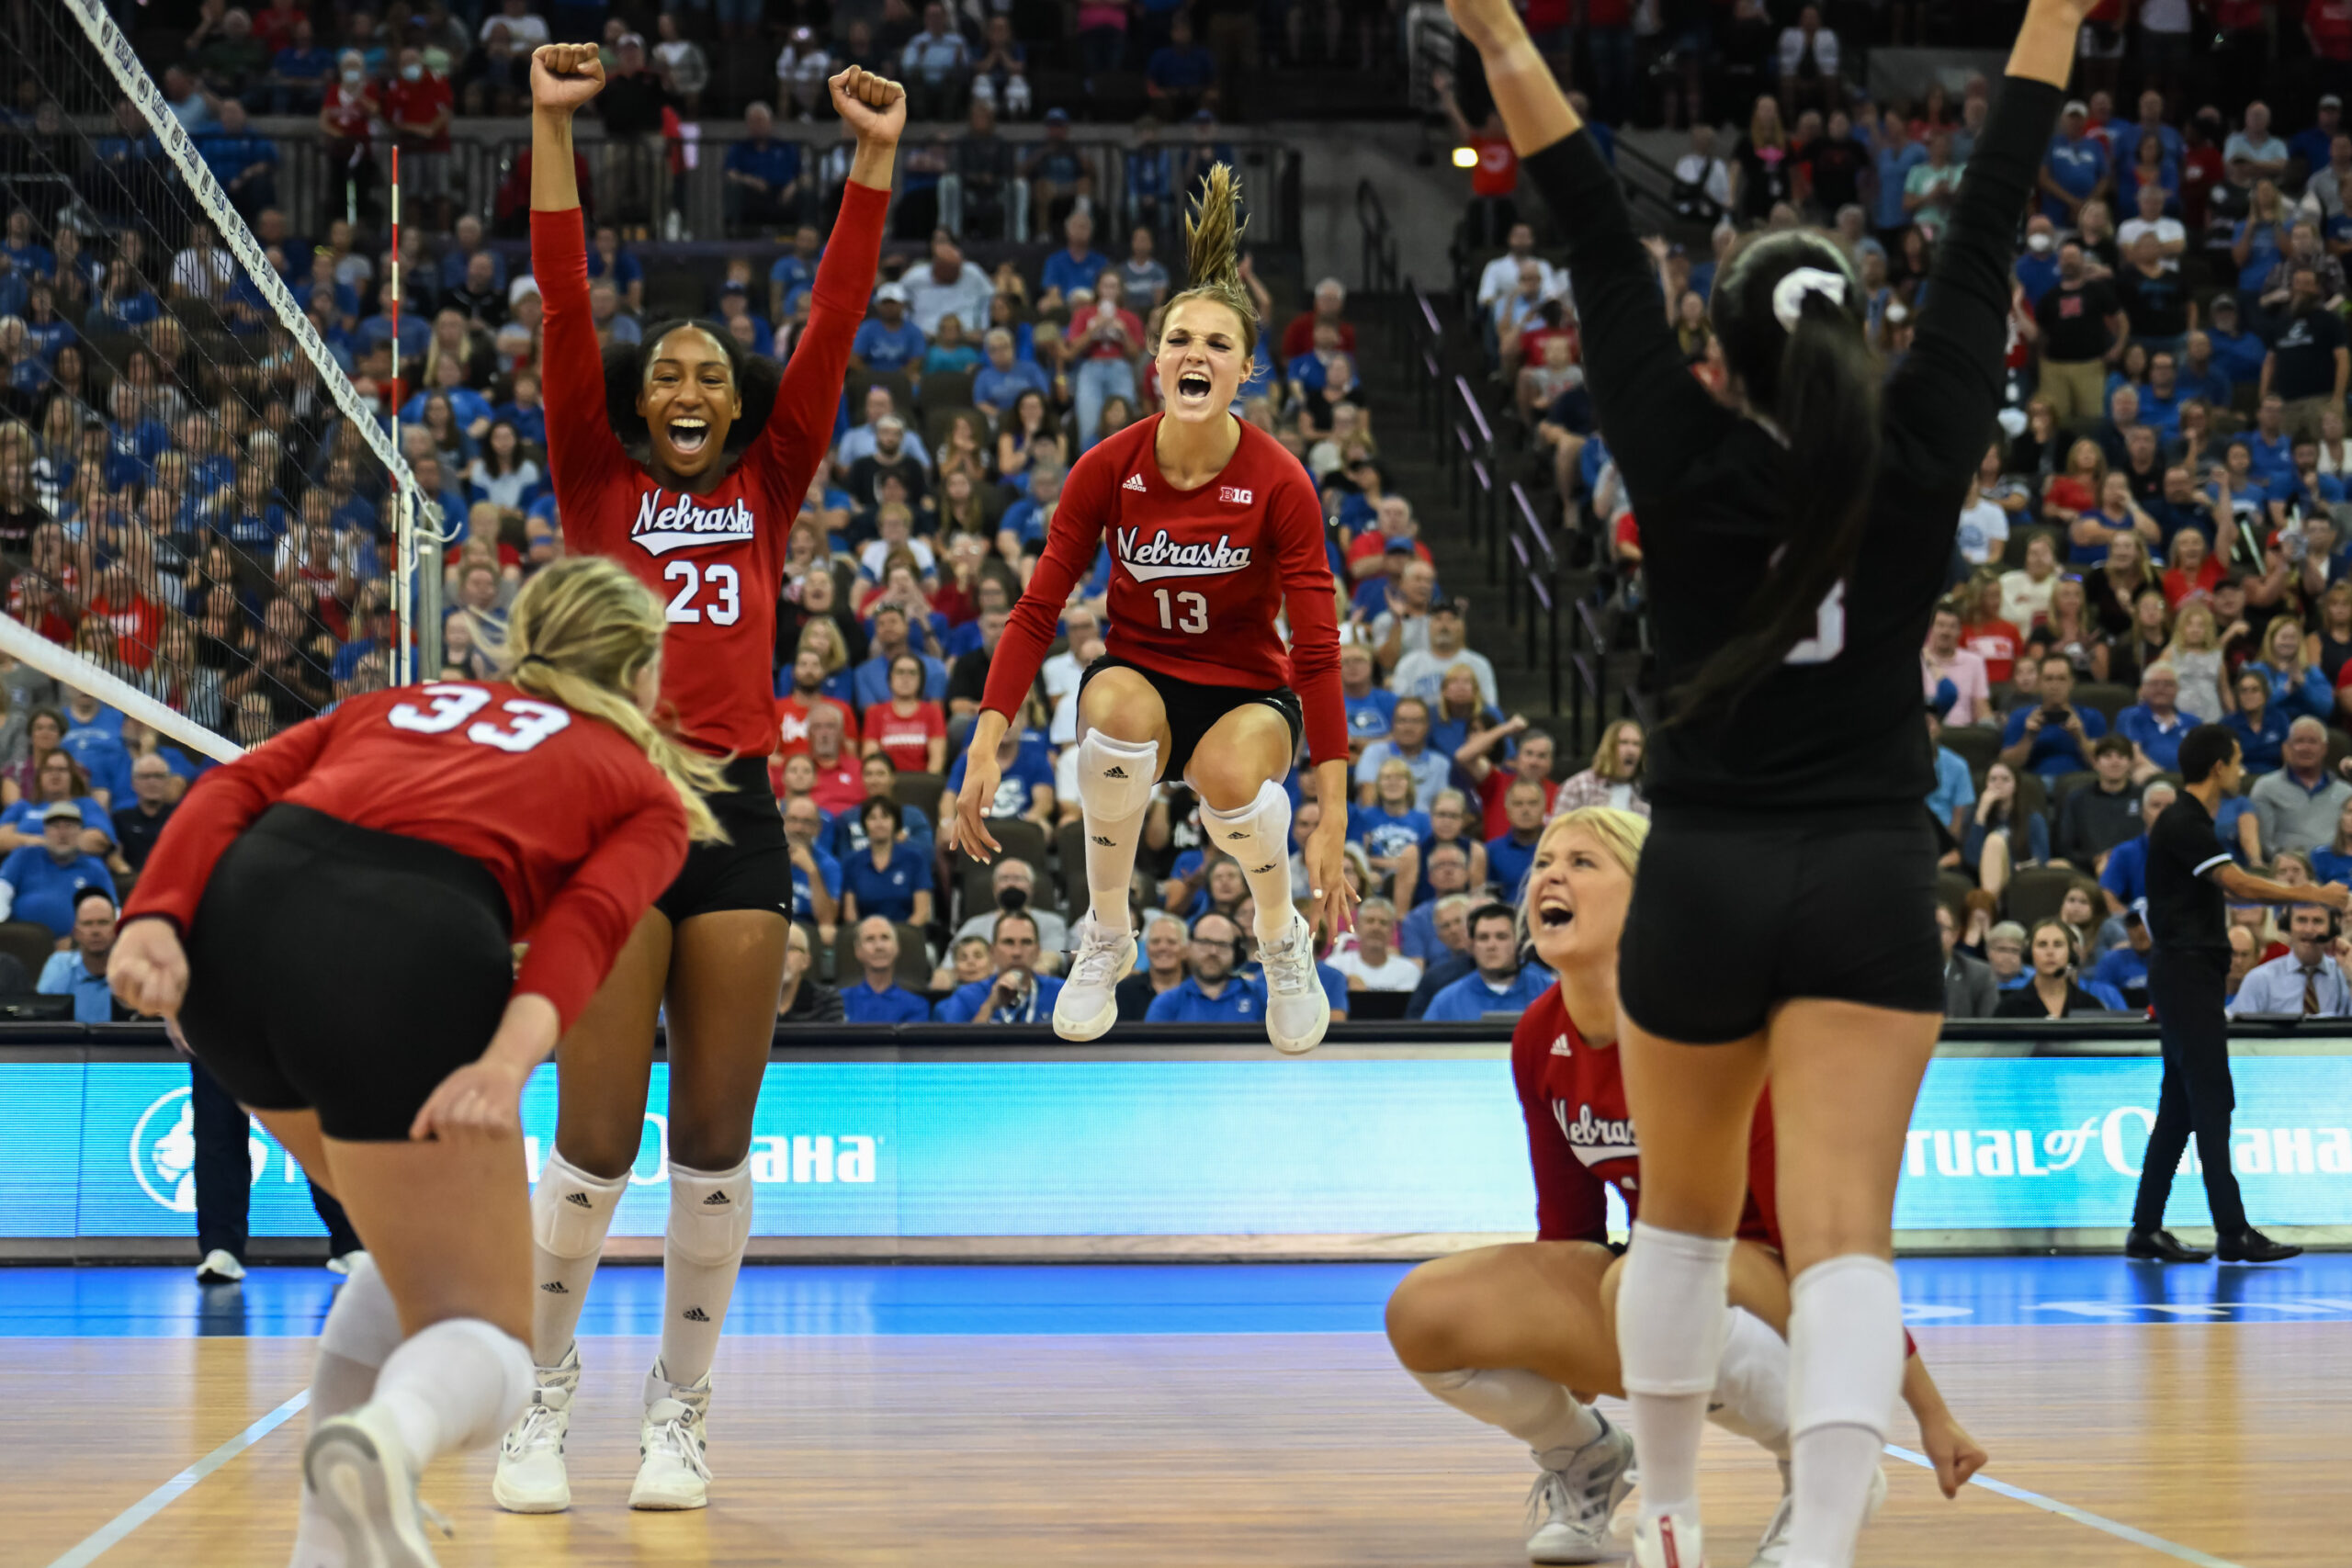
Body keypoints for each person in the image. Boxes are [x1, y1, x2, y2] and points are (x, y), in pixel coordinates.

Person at [1443, 0, 2074, 1562]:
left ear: (1718, 349)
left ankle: (1665, 1513)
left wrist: (1494, 28)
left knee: (1682, 1221)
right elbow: (1991, 207)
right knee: (1851, 1245)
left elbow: (1585, 206)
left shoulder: (1674, 438)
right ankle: (1823, 1539)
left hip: (1707, 870)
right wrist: (2055, 13)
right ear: (1856, 330)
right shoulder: (1920, 441)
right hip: (1866, 869)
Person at [105, 556, 719, 1566]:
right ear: (642, 673)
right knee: (496, 1349)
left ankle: (327, 1550)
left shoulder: (410, 700)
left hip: (232, 937)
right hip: (399, 955)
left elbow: (237, 785)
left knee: (404, 1255)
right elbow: (587, 928)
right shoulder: (644, 790)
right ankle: (387, 1441)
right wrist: (510, 1059)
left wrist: (156, 918)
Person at [500, 46, 901, 1515]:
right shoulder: (593, 481)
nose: (686, 383)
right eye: (665, 370)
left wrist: (871, 164)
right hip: (610, 810)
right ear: (638, 398)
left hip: (735, 821)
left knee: (715, 1146)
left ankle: (683, 1409)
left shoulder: (767, 484)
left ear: (734, 411)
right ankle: (541, 1402)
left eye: (708, 376)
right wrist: (550, 124)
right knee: (595, 1142)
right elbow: (561, 298)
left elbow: (836, 323)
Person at [1385, 809, 1986, 1564]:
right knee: (1424, 1313)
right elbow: (1569, 1231)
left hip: (1772, 1275)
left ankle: (1825, 1466)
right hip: (1661, 1277)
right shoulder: (1539, 1033)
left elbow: (1819, 1249)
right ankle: (1587, 1458)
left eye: (1583, 861)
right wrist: (1564, 1351)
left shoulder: (1714, 1025)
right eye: (1542, 861)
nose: (1551, 875)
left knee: (1642, 1281)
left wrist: (1926, 1411)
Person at [952, 165, 1349, 1055]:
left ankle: (1280, 934)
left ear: (1246, 369)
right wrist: (987, 735)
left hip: (1247, 691)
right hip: (1143, 676)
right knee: (1112, 716)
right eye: (1180, 340)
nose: (1196, 354)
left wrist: (1336, 813)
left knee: (1231, 789)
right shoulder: (1107, 467)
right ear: (1156, 360)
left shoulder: (1281, 481)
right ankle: (1105, 930)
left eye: (1217, 343)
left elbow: (1317, 653)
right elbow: (1036, 607)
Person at [2129, 722, 2342, 1267]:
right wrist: (2310, 892)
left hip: (2186, 974)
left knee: (2179, 1107)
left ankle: (2145, 1229)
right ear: (2218, 766)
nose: (2243, 767)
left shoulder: (2191, 820)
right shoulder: (2183, 821)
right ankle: (2233, 1230)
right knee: (2212, 1100)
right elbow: (2239, 884)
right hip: (2186, 973)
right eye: (2238, 759)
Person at [0, 802, 116, 938]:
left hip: (78, 950)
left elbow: (113, 911)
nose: (62, 834)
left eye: (69, 826)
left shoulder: (94, 867)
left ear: (80, 832)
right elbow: (1, 892)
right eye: (55, 826)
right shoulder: (23, 857)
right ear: (45, 831)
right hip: (23, 945)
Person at [1423, 901, 1552, 1021]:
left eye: (1501, 937)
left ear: (1518, 942)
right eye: (1483, 938)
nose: (1491, 945)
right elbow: (1424, 1044)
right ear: (1471, 946)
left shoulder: (1549, 992)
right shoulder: (1446, 1002)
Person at [934, 908, 1062, 1022]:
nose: (1017, 952)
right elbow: (956, 1047)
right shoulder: (967, 997)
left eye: (1026, 942)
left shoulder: (1063, 993)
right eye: (1008, 942)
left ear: (1038, 951)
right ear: (993, 952)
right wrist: (990, 1005)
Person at [2228, 900, 2352, 1015]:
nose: (2309, 929)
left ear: (2331, 930)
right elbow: (2237, 1033)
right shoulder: (2259, 980)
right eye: (2301, 920)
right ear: (2287, 926)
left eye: (2317, 921)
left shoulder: (2344, 977)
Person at [1145, 911, 1263, 1022]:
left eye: (1222, 944)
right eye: (1205, 942)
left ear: (1236, 952)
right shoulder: (1167, 1003)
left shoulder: (1261, 997)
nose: (1213, 951)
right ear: (1189, 947)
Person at [1991, 919, 2108, 1015]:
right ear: (2029, 953)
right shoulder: (2009, 1009)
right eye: (2042, 944)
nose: (2050, 952)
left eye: (2058, 945)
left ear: (2070, 953)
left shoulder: (2091, 1006)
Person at [39, 886, 120, 1022]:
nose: (95, 931)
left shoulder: (132, 969)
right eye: (87, 923)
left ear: (116, 928)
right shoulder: (58, 965)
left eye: (103, 922)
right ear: (75, 931)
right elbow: (42, 1017)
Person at [841, 916, 931, 1022]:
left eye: (885, 938)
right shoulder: (839, 1001)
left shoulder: (917, 1005)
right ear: (858, 950)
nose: (879, 946)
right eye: (870, 939)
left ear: (897, 947)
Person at [1326, 897, 1420, 992]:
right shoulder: (1335, 967)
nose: (1376, 927)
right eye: (1370, 921)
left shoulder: (1409, 971)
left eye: (1383, 923)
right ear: (1357, 927)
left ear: (1392, 931)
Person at [1114, 913, 1192, 1019]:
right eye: (1155, 942)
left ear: (1186, 951)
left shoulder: (1197, 992)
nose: (1163, 947)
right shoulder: (1123, 991)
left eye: (1171, 942)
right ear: (1146, 949)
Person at [1938, 901, 1997, 1017]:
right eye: (1926, 928)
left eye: (1940, 928)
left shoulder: (1980, 975)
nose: (1932, 934)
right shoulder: (1900, 974)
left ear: (1955, 935)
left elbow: (1989, 1030)